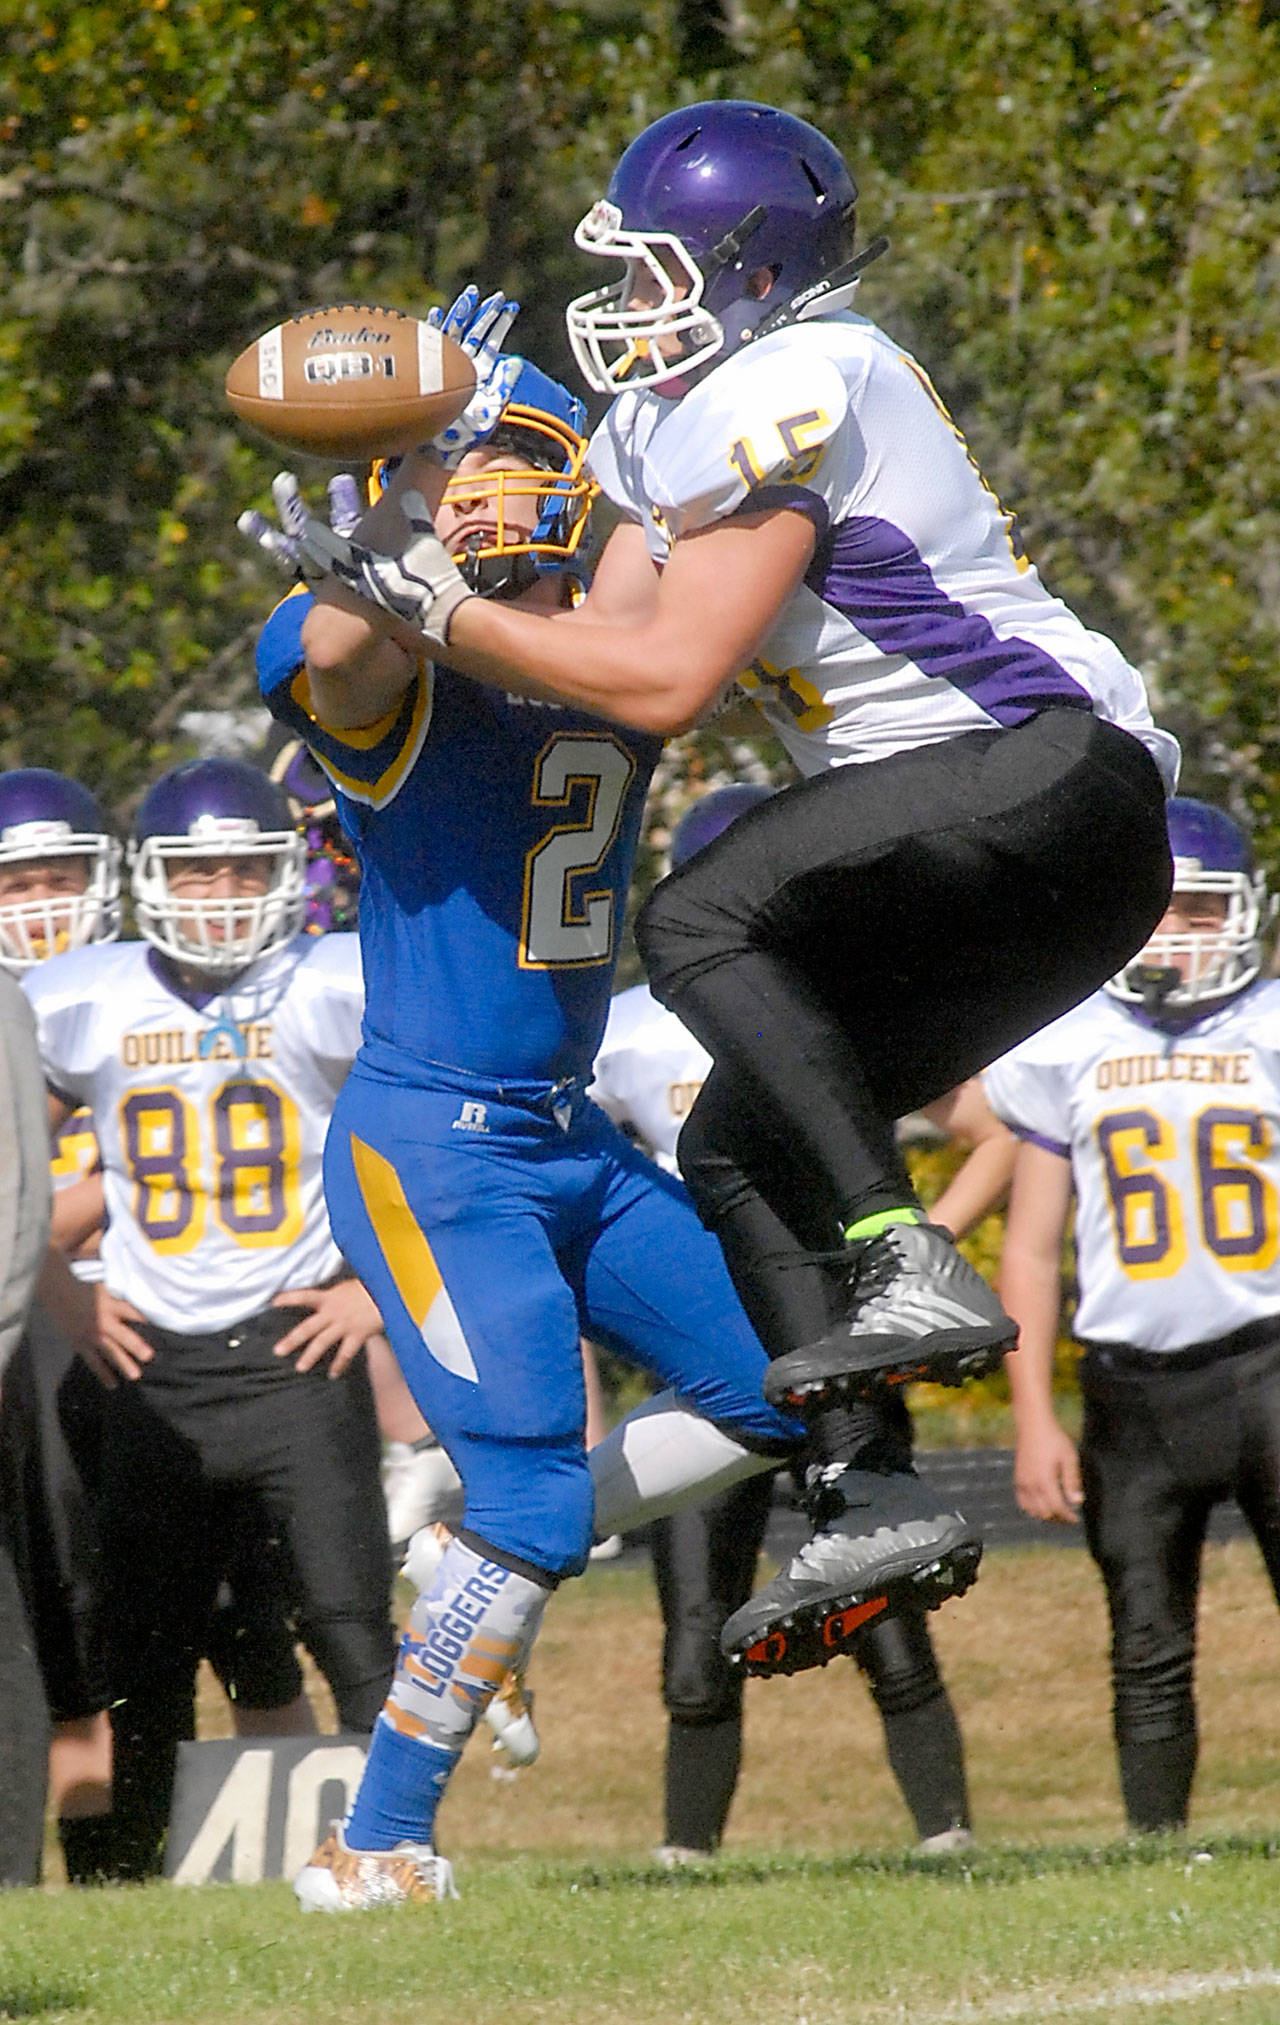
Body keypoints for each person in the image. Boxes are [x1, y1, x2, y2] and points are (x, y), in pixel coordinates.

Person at [252, 101, 1178, 1676]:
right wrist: (441, 492)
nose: (631, 298)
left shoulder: (809, 372)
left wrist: (435, 606)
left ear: (753, 274)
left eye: (662, 265)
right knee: (734, 1139)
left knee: (698, 913)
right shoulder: (660, 426)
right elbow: (589, 598)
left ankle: (898, 1249)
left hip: (1046, 775)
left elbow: (668, 677)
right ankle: (869, 1485)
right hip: (1018, 857)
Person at [244, 311, 979, 1912]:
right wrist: (393, 527)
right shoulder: (400, 638)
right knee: (531, 1496)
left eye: (523, 473)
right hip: (432, 1143)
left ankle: (466, 1571)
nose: (496, 496)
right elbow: (334, 660)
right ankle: (373, 1842)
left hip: (567, 1133)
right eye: (471, 471)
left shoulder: (601, 643)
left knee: (774, 1386)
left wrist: (560, 432)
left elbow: (653, 580)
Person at [592, 783, 1015, 1861]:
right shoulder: (630, 1031)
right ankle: (685, 1858)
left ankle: (946, 1840)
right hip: (708, 1360)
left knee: (883, 1610)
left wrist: (911, 1246)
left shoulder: (833, 1008)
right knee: (693, 1632)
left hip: (834, 1348)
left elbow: (991, 1131)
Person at [22, 755, 397, 1877]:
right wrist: (58, 1295)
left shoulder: (330, 981)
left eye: (246, 867)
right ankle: (130, 1878)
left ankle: (394, 1850)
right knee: (143, 1643)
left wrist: (370, 1291)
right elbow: (11, 1158)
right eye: (201, 870)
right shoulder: (84, 994)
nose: (225, 891)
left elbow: (441, 1143)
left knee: (348, 1625)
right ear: (152, 879)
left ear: (286, 872)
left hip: (293, 1351)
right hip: (153, 1370)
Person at [988, 797, 1280, 1835]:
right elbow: (1026, 1248)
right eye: (1157, 910)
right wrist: (1031, 1415)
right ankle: (1155, 1849)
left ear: (1239, 914)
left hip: (1266, 1364)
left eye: (1199, 911)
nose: (1177, 932)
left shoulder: (1267, 1025)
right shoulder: (1068, 1043)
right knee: (1144, 1642)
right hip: (1129, 1388)